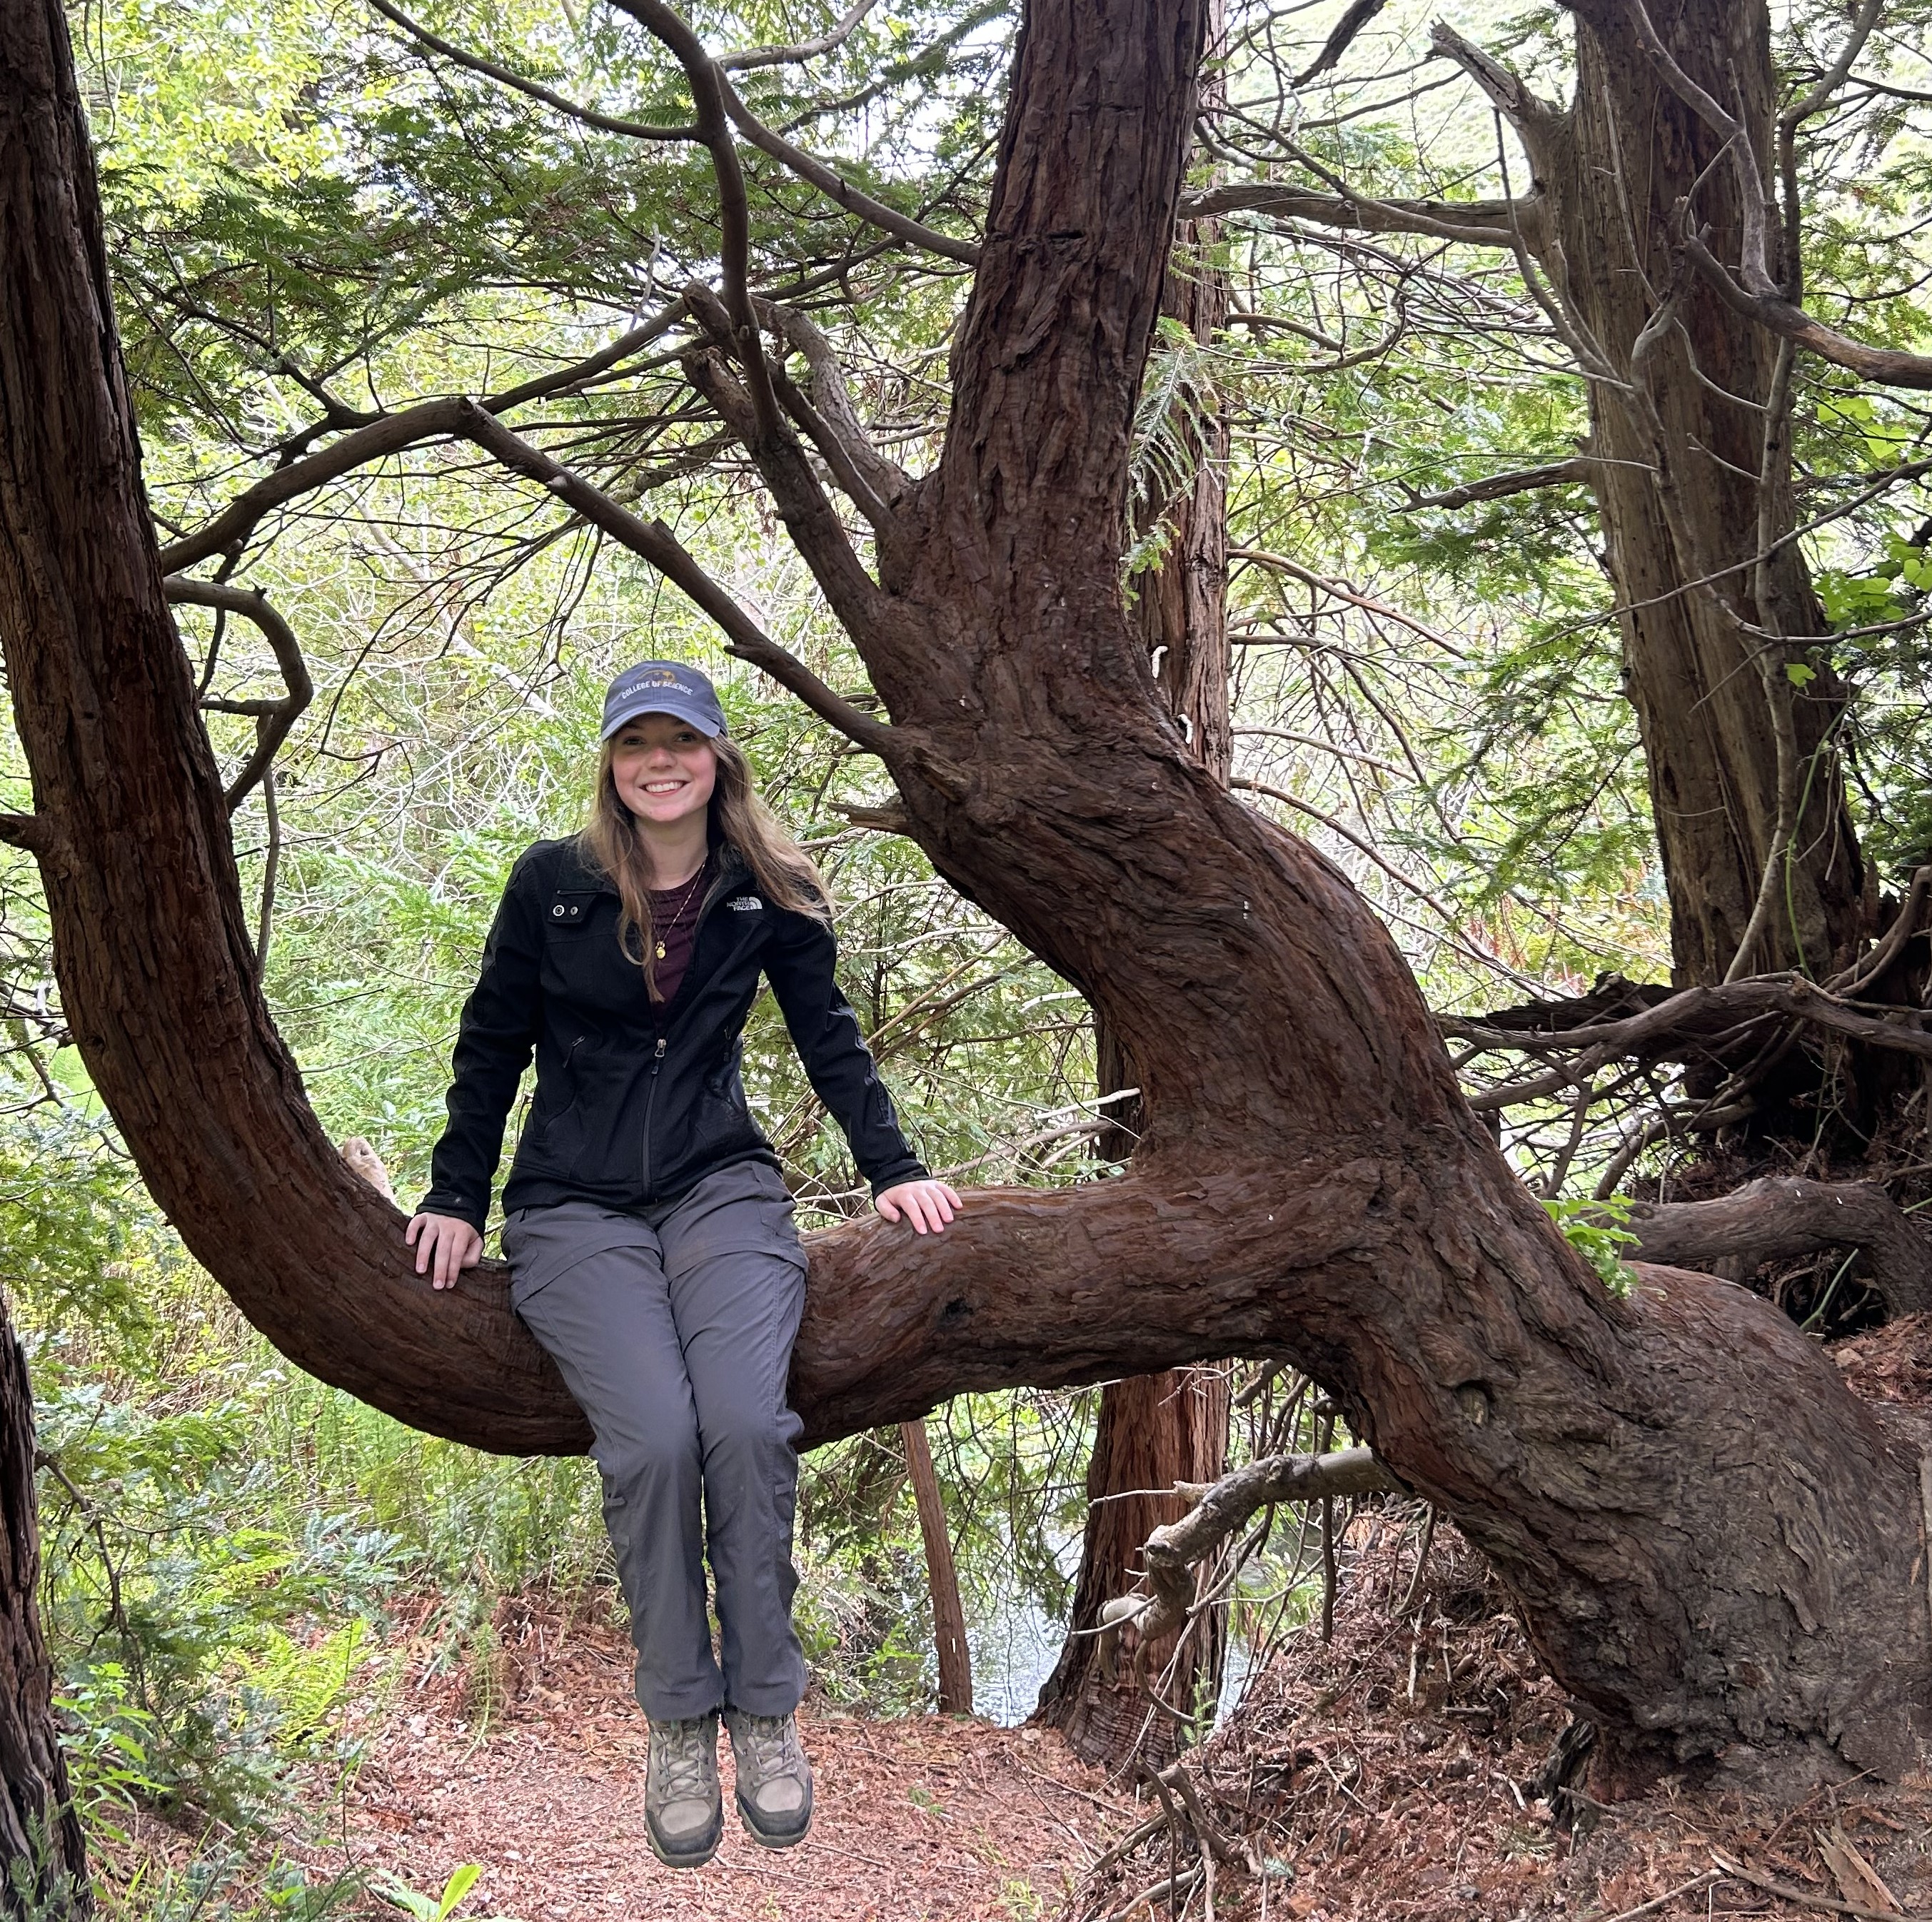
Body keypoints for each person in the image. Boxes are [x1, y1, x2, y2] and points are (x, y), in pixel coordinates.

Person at [405, 660, 962, 1870]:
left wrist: (894, 1168)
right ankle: (675, 1722)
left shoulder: (768, 889)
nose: (660, 763)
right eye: (636, 744)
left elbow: (830, 1041)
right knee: (654, 1439)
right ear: (611, 763)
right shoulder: (552, 886)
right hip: (571, 1207)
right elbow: (490, 1043)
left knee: (747, 1429)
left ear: (718, 757)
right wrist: (456, 1193)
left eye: (682, 743)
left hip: (722, 1191)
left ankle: (764, 1712)